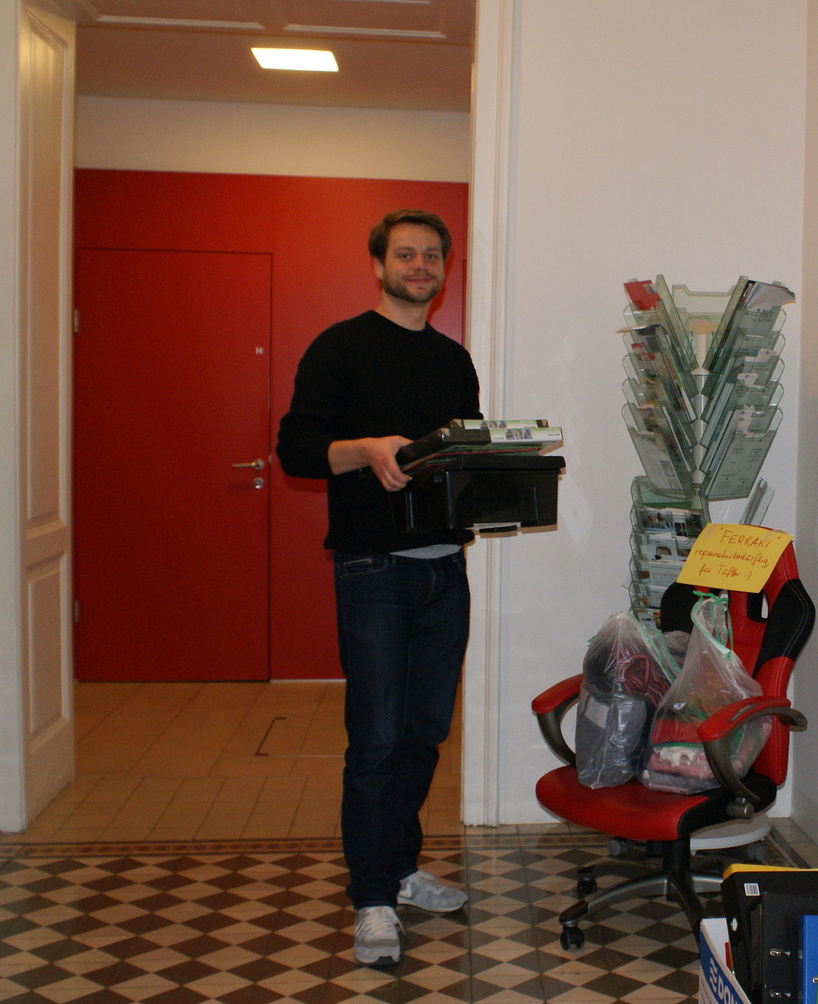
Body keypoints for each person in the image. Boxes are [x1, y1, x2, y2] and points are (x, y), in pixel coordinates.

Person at [276, 209, 480, 967]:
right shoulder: (340, 346)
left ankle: (399, 868)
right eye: (405, 254)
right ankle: (371, 898)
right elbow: (296, 450)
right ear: (379, 265)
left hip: (445, 571)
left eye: (431, 255)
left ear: (444, 268)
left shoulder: (454, 359)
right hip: (372, 572)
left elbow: (462, 453)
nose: (419, 265)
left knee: (425, 733)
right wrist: (364, 449)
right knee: (377, 739)